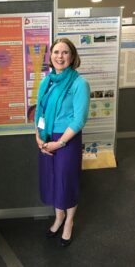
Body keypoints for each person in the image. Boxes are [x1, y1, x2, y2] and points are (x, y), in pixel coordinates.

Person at [35, 38, 90, 247]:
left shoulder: (79, 83)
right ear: (51, 56)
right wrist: (38, 137)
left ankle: (69, 221)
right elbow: (39, 110)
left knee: (67, 181)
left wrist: (58, 144)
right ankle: (58, 218)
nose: (60, 56)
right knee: (53, 180)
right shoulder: (46, 81)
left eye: (65, 52)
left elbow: (79, 119)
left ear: (73, 57)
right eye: (56, 52)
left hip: (67, 139)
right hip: (46, 137)